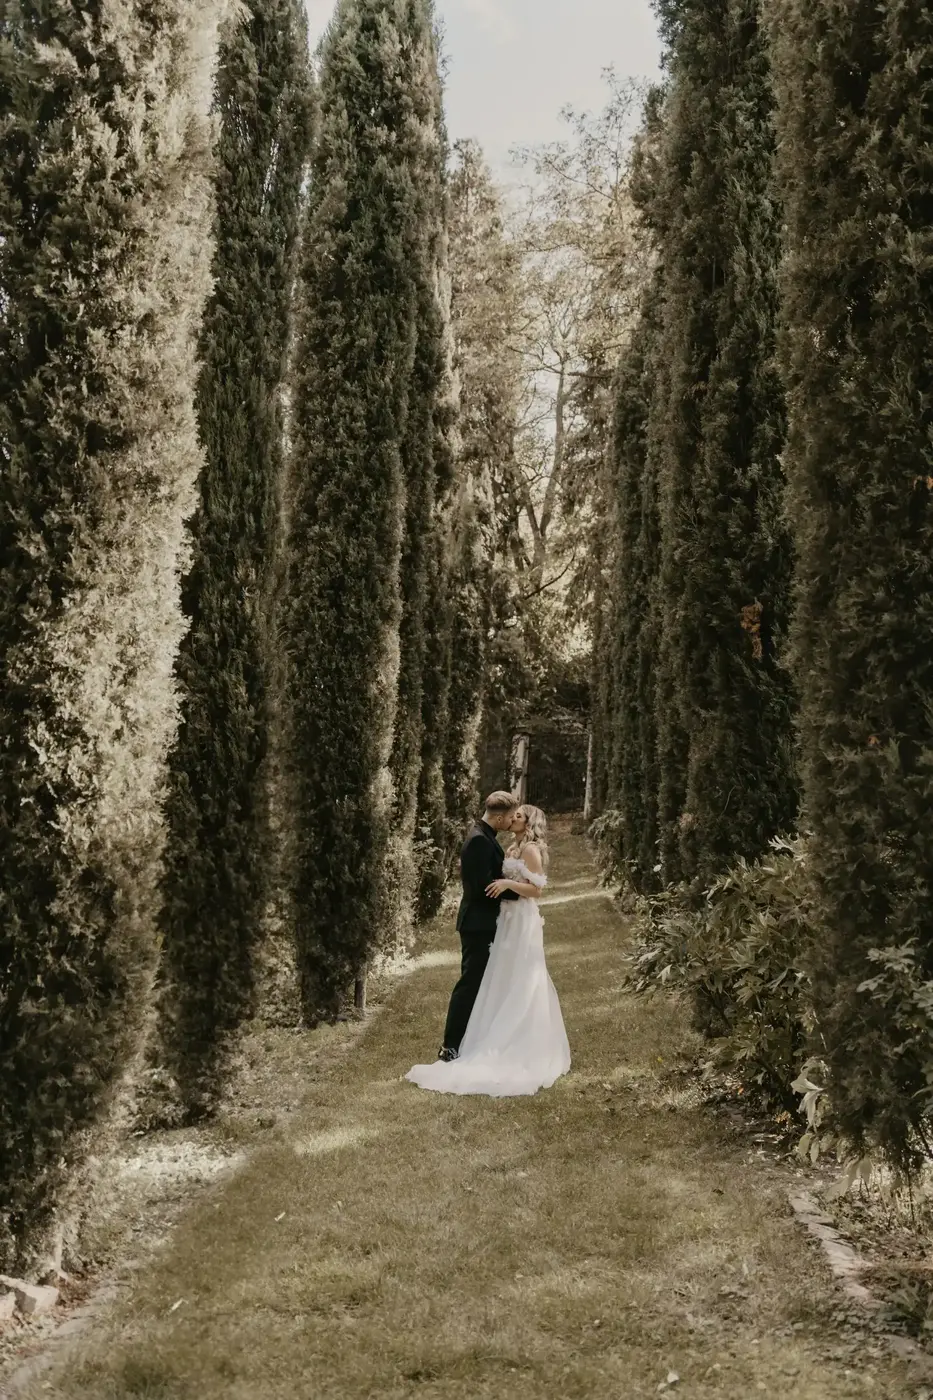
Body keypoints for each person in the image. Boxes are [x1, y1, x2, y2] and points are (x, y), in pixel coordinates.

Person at [406, 803, 571, 1097]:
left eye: (519, 816)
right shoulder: (508, 847)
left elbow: (536, 890)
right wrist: (505, 885)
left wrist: (507, 883)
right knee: (498, 976)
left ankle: (518, 1038)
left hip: (520, 920)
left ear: (528, 822)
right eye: (512, 815)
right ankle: (474, 1039)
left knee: (521, 975)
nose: (513, 819)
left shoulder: (530, 850)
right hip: (503, 919)